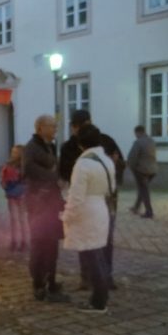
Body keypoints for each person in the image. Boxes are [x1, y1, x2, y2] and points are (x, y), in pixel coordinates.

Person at [59, 109, 125, 290]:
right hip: (101, 200)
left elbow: (120, 164)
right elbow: (64, 172)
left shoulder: (101, 142)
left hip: (96, 200)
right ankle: (96, 278)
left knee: (93, 240)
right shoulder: (73, 146)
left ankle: (98, 279)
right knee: (95, 240)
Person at [61, 124, 115, 313]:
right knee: (98, 253)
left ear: (80, 144)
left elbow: (75, 196)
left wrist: (66, 216)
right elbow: (111, 188)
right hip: (100, 208)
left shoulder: (83, 164)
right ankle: (100, 297)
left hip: (86, 211)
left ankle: (99, 301)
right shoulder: (106, 160)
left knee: (92, 256)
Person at [23, 115, 68, 302]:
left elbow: (53, 169)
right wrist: (52, 177)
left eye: (56, 126)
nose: (55, 129)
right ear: (40, 128)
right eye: (52, 126)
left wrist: (56, 178)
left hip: (52, 201)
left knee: (52, 244)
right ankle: (38, 284)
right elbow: (28, 170)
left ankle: (51, 280)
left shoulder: (50, 145)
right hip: (38, 202)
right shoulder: (31, 147)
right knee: (39, 243)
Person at [0, 145, 30, 251]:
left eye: (16, 152)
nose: (14, 154)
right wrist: (4, 185)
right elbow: (3, 178)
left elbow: (28, 179)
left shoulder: (24, 165)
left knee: (22, 218)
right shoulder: (9, 164)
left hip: (21, 193)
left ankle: (24, 241)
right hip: (11, 193)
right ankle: (14, 240)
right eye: (13, 151)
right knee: (14, 218)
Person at [127, 125, 158, 219]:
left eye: (135, 134)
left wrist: (132, 168)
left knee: (144, 190)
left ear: (138, 132)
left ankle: (149, 212)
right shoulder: (151, 141)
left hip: (142, 170)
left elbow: (132, 157)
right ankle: (136, 207)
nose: (135, 135)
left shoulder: (138, 142)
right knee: (143, 188)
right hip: (153, 170)